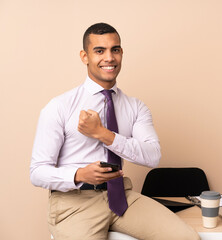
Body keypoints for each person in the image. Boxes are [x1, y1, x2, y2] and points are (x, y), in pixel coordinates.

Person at [30, 22, 200, 240]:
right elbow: (37, 171)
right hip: (75, 202)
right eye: (99, 51)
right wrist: (79, 174)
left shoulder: (135, 107)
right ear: (85, 57)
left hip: (121, 195)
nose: (109, 58)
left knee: (187, 238)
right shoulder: (59, 106)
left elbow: (153, 156)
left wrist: (103, 134)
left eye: (115, 50)